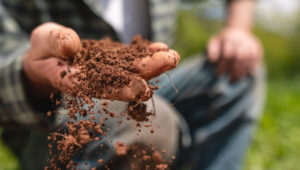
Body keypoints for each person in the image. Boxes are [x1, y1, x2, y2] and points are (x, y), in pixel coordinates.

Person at [0, 0, 265, 169]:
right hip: (55, 116)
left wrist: (238, 29)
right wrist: (33, 73)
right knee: (147, 119)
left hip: (151, 83)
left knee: (236, 73)